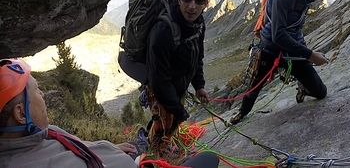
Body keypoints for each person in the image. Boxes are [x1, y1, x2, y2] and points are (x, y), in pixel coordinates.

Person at [0, 58, 219, 168]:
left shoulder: (41, 134)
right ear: (21, 113)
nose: (44, 95)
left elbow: (75, 148)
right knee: (210, 159)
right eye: (37, 91)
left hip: (121, 157)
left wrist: (108, 147)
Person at [230, 0, 341, 125]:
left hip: (291, 51)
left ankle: (304, 87)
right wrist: (310, 55)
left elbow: (295, 28)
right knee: (254, 88)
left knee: (321, 92)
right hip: (269, 49)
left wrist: (304, 48)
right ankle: (242, 113)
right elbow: (278, 35)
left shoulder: (305, 0)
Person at [144, 0, 211, 154]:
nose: (192, 7)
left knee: (169, 124)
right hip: (161, 90)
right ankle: (153, 156)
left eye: (199, 1)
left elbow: (197, 56)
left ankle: (157, 147)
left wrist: (199, 85)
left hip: (176, 88)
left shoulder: (199, 23)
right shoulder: (164, 30)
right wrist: (179, 110)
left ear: (206, 3)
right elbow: (158, 80)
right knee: (163, 128)